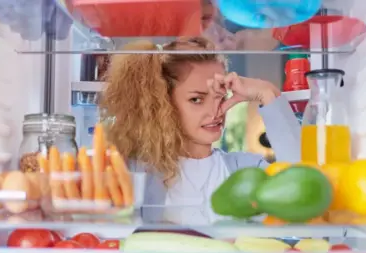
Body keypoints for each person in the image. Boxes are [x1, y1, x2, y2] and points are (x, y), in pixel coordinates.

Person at [99, 37, 301, 224]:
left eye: (220, 97)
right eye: (196, 99)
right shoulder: (135, 171)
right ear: (163, 103)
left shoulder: (247, 169)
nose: (215, 112)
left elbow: (304, 189)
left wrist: (266, 93)